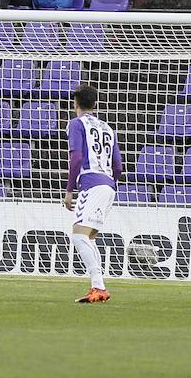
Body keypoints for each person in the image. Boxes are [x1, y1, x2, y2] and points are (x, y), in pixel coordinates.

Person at [65, 85, 122, 304]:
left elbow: (77, 158)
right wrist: (109, 185)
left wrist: (69, 190)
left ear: (75, 103)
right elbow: (118, 166)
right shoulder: (107, 128)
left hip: (91, 182)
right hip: (109, 185)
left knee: (79, 236)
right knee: (89, 237)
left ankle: (98, 287)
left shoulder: (76, 124)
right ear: (95, 104)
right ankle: (98, 287)